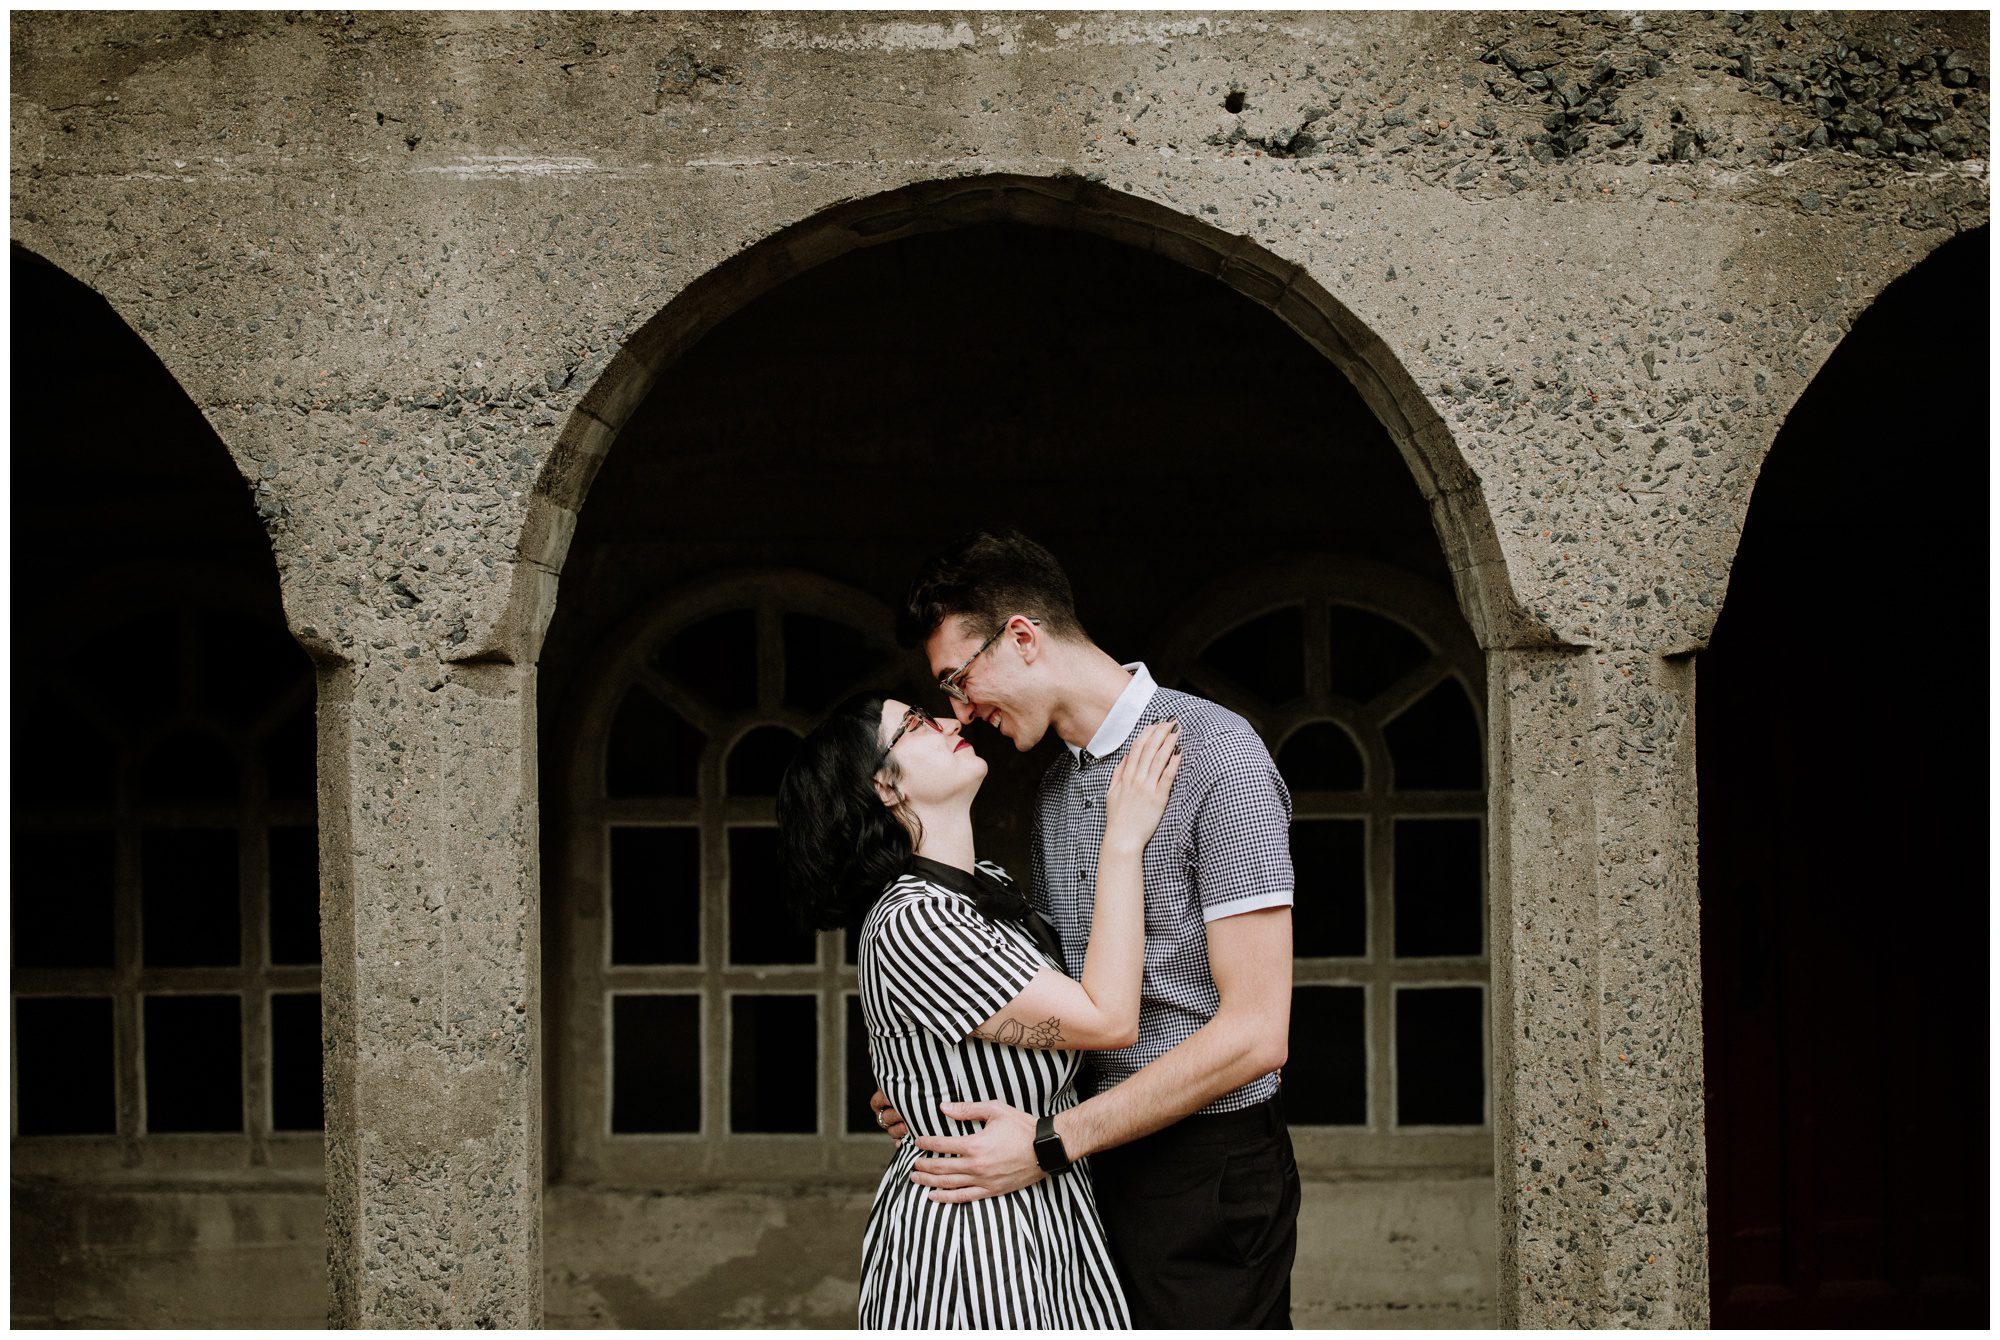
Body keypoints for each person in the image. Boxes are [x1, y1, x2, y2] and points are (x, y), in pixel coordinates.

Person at [879, 528, 1301, 1329]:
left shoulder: (1219, 756)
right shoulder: (1052, 788)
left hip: (1203, 1174)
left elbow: (1256, 1034)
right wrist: (942, 1081)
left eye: (958, 681)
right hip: (1082, 1166)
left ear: (1024, 640)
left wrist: (1046, 1141)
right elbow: (1072, 1001)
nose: (962, 713)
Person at [775, 689, 1181, 1328]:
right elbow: (1108, 1021)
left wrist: (910, 1091)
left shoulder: (985, 888)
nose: (947, 720)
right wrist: (1123, 836)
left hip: (1044, 1212)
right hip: (973, 1239)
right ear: (885, 786)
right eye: (913, 724)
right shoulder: (915, 921)